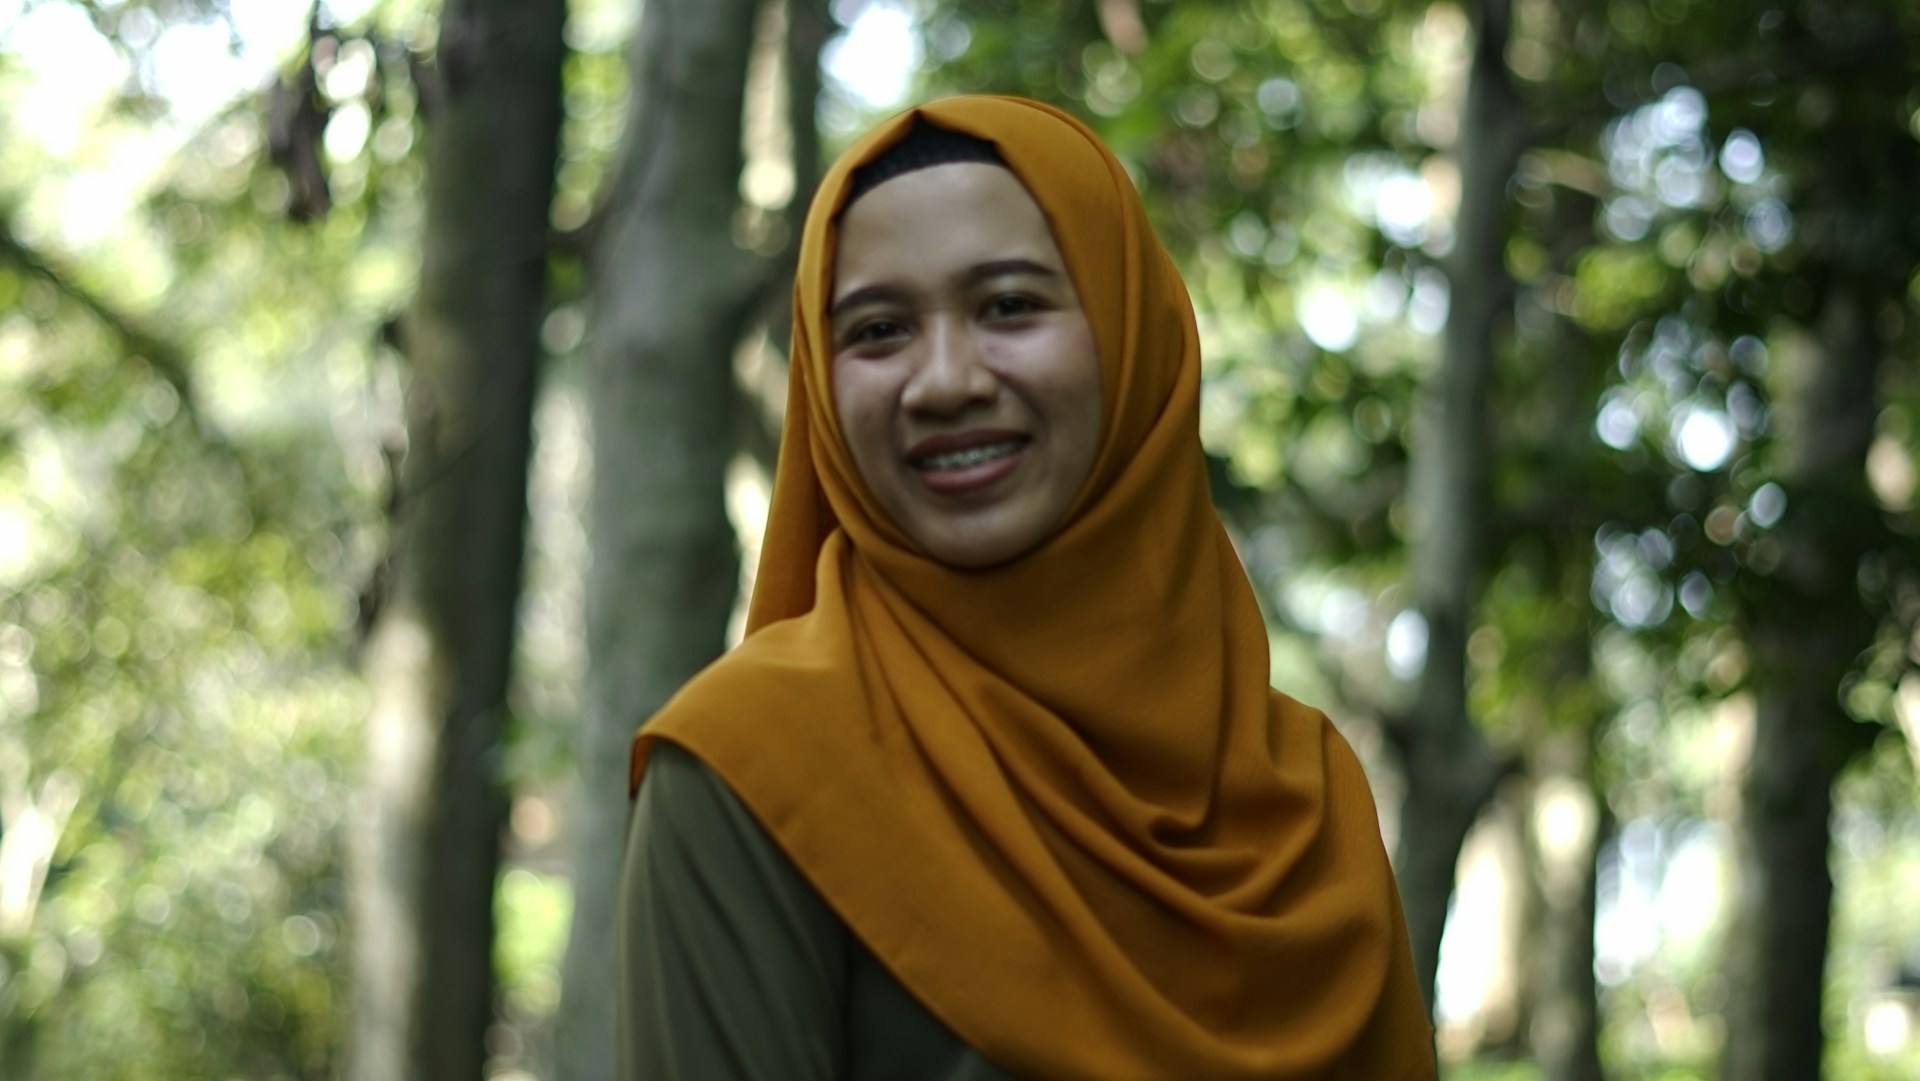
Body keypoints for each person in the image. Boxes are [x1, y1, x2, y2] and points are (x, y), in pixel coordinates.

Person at [618, 94, 1436, 1080]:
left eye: (1008, 305)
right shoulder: (751, 769)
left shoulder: (1305, 793)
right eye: (878, 330)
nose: (946, 380)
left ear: (1133, 339)